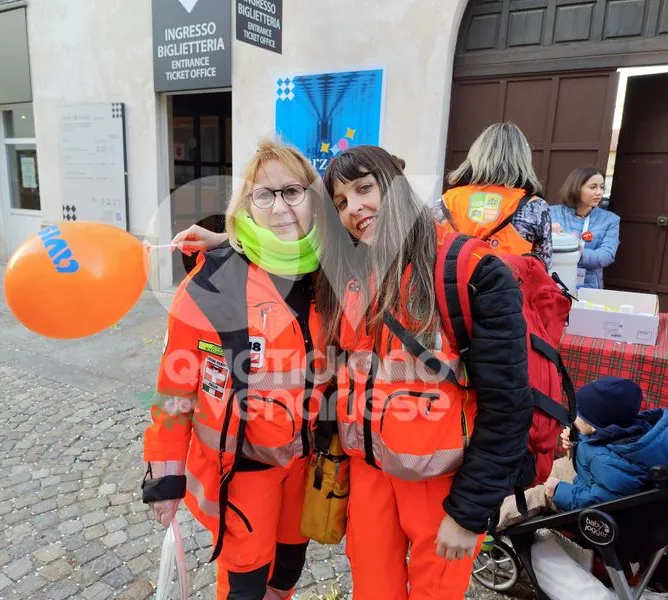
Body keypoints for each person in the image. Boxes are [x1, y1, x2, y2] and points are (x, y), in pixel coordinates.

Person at [172, 145, 534, 599]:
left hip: (441, 484)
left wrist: (469, 512)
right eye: (340, 202)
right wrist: (230, 240)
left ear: (395, 184)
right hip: (368, 477)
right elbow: (288, 244)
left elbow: (508, 405)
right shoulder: (346, 267)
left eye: (365, 188)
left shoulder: (469, 272)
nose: (355, 208)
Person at [143, 140, 326, 600]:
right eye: (264, 195)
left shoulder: (328, 272)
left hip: (304, 465)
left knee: (286, 573)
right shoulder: (211, 285)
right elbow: (174, 391)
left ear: (312, 198)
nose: (281, 205)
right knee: (244, 584)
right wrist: (164, 479)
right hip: (244, 472)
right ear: (246, 204)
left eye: (293, 191)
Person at [545, 376, 668, 511]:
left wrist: (558, 491)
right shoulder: (646, 429)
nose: (571, 414)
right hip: (596, 479)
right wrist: (576, 441)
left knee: (536, 487)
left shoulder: (604, 462)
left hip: (587, 506)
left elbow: (601, 503)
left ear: (593, 426)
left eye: (576, 412)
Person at [434, 122, 554, 267]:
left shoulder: (445, 202)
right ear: (523, 159)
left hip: (451, 287)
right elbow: (542, 266)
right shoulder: (534, 208)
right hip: (508, 287)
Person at [550, 167, 620, 289]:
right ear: (576, 188)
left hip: (590, 285)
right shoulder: (551, 213)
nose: (599, 192)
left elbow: (606, 255)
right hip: (554, 281)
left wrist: (575, 251)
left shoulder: (610, 220)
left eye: (602, 187)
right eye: (593, 187)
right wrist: (548, 235)